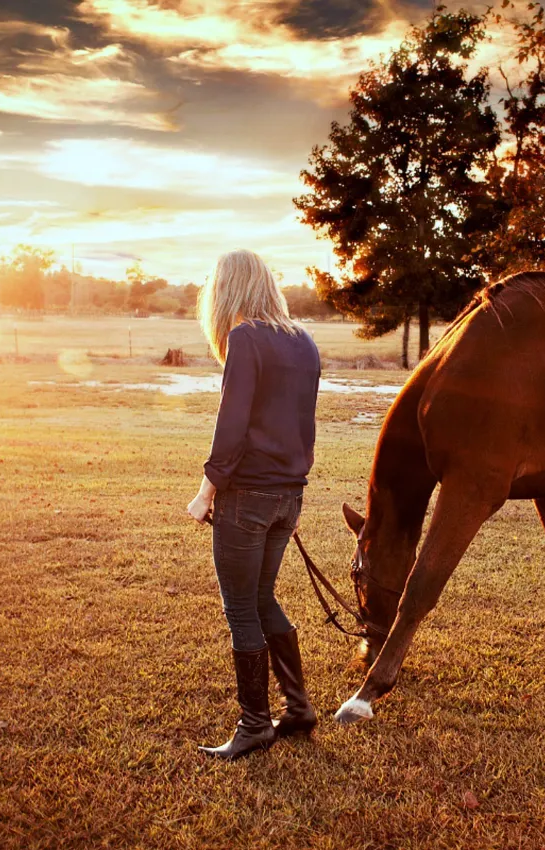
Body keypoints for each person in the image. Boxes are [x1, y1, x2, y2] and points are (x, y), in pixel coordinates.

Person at [186, 249, 321, 760]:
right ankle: (299, 708)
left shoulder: (245, 338)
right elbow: (302, 422)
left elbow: (232, 424)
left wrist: (206, 492)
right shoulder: (303, 340)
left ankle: (255, 724)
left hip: (248, 498)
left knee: (242, 607)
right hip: (289, 496)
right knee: (262, 600)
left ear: (228, 290)